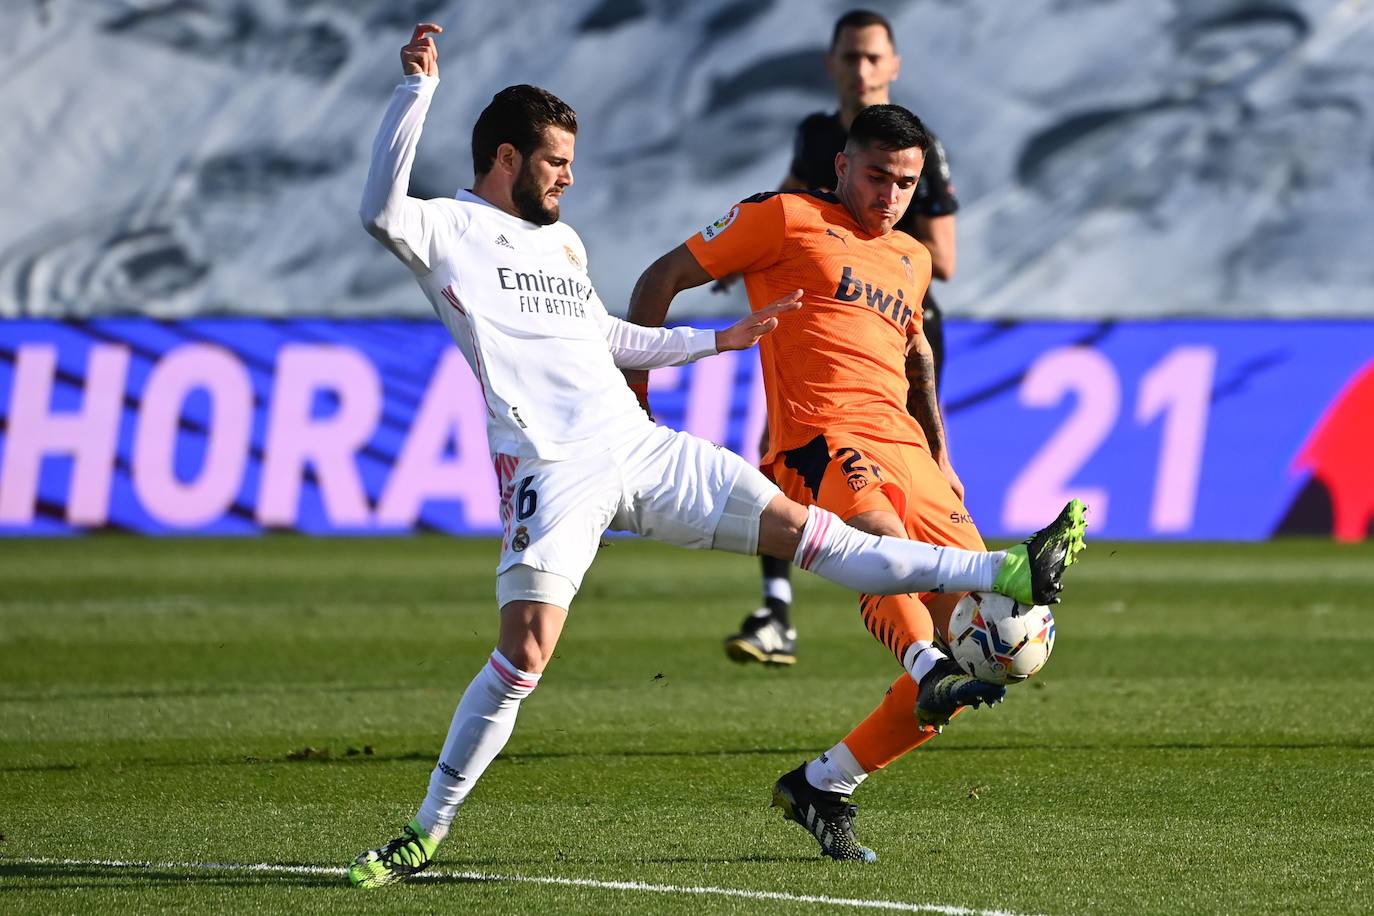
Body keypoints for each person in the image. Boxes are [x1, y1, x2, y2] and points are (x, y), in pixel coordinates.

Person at [347, 24, 1085, 887]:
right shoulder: (445, 229)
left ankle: (995, 583)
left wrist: (714, 341)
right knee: (523, 659)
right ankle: (422, 832)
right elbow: (377, 208)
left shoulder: (564, 242)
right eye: (557, 162)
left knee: (815, 538)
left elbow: (607, 334)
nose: (570, 178)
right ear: (505, 158)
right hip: (554, 465)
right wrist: (417, 91)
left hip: (642, 447)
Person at [624, 102, 1086, 861]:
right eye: (876, 176)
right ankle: (922, 662)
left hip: (910, 452)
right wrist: (634, 404)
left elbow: (916, 361)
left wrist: (940, 457)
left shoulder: (913, 258)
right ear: (842, 166)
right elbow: (661, 277)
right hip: (822, 440)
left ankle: (823, 784)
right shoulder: (780, 217)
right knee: (882, 548)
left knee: (995, 647)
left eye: (905, 182)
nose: (890, 194)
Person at [727, 9, 962, 667]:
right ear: (831, 65)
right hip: (818, 322)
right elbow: (789, 211)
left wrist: (877, 236)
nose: (861, 70)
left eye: (872, 58)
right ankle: (778, 611)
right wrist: (746, 253)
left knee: (908, 483)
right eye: (850, 58)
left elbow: (944, 257)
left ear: (893, 67)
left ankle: (935, 622)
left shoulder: (921, 145)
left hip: (898, 329)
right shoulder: (816, 134)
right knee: (784, 451)